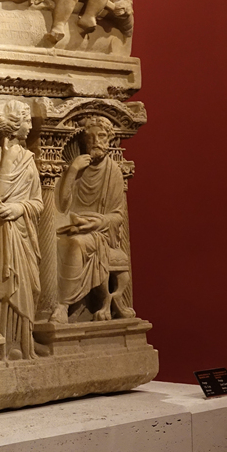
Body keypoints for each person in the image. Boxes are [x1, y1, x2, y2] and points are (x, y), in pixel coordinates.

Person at [50, 115, 135, 323]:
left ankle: (64, 304)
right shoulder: (77, 167)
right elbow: (62, 205)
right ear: (84, 140)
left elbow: (118, 215)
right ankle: (63, 305)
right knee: (70, 242)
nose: (96, 141)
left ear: (109, 139)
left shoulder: (113, 171)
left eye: (102, 136)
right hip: (71, 226)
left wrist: (96, 223)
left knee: (77, 244)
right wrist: (73, 170)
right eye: (91, 137)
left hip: (100, 232)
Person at [0, 101, 43, 360]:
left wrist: (20, 207)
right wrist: (8, 155)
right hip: (2, 232)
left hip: (24, 230)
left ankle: (25, 343)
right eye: (26, 121)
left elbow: (38, 202)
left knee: (29, 286)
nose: (30, 126)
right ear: (14, 124)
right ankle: (5, 345)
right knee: (5, 284)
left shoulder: (29, 160)